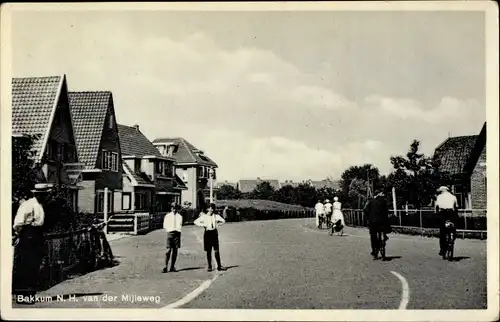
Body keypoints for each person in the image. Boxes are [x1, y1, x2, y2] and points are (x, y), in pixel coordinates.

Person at [12, 183, 52, 305]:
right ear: (37, 194)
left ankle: (29, 295)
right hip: (28, 235)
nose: (45, 197)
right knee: (25, 265)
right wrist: (22, 235)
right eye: (44, 195)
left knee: (34, 265)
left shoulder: (39, 205)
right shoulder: (29, 205)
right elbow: (18, 223)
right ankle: (22, 296)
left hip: (36, 235)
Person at [194, 203, 227, 272]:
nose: (211, 210)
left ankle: (219, 266)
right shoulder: (204, 217)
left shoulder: (216, 216)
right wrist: (203, 225)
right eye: (210, 208)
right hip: (207, 233)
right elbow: (196, 222)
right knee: (208, 250)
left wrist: (218, 224)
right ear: (207, 209)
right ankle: (209, 266)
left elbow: (223, 221)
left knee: (216, 250)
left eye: (212, 208)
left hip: (214, 233)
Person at [363, 190, 390, 259]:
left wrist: (368, 218)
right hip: (382, 222)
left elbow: (365, 210)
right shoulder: (384, 201)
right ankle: (384, 238)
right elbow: (387, 211)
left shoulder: (371, 201)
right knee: (383, 230)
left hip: (373, 222)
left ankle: (374, 251)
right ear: (379, 194)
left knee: (373, 236)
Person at [435, 186, 459, 257]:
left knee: (442, 231)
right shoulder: (453, 197)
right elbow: (456, 206)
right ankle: (452, 239)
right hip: (451, 213)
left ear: (442, 191)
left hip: (443, 214)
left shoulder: (439, 197)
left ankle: (442, 249)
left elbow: (437, 206)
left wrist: (436, 214)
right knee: (453, 228)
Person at [162, 203, 183, 273]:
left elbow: (180, 224)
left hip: (177, 233)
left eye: (176, 208)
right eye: (173, 208)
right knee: (168, 250)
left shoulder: (179, 216)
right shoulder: (167, 216)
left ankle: (172, 266)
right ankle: (165, 266)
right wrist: (169, 230)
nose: (174, 209)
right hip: (170, 233)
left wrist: (178, 230)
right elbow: (165, 225)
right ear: (171, 208)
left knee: (175, 250)